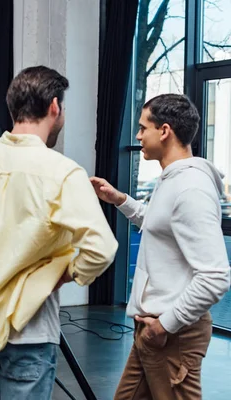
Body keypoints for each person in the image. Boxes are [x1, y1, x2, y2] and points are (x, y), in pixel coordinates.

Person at [0, 66, 119, 399]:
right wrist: (68, 273)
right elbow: (101, 249)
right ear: (54, 106)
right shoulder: (63, 172)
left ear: (12, 108)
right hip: (30, 332)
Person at [90, 94, 231, 400]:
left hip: (172, 334)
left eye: (143, 128)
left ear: (164, 131)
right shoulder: (171, 181)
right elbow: (160, 222)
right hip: (152, 331)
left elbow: (216, 276)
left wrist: (165, 325)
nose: (138, 135)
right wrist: (121, 200)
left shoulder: (191, 188)